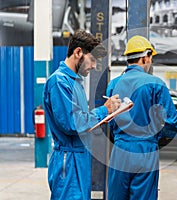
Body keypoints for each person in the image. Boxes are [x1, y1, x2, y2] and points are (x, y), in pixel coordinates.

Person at [106, 35, 177, 200]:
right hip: (145, 152)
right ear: (145, 57)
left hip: (120, 151)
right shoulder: (155, 84)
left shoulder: (113, 85)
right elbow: (171, 119)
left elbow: (110, 120)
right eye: (151, 58)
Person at [43, 29, 121, 200]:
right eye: (92, 60)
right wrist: (104, 110)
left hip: (80, 157)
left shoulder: (76, 83)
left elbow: (82, 120)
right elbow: (73, 123)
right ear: (78, 52)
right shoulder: (59, 82)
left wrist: (107, 115)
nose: (94, 66)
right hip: (68, 162)